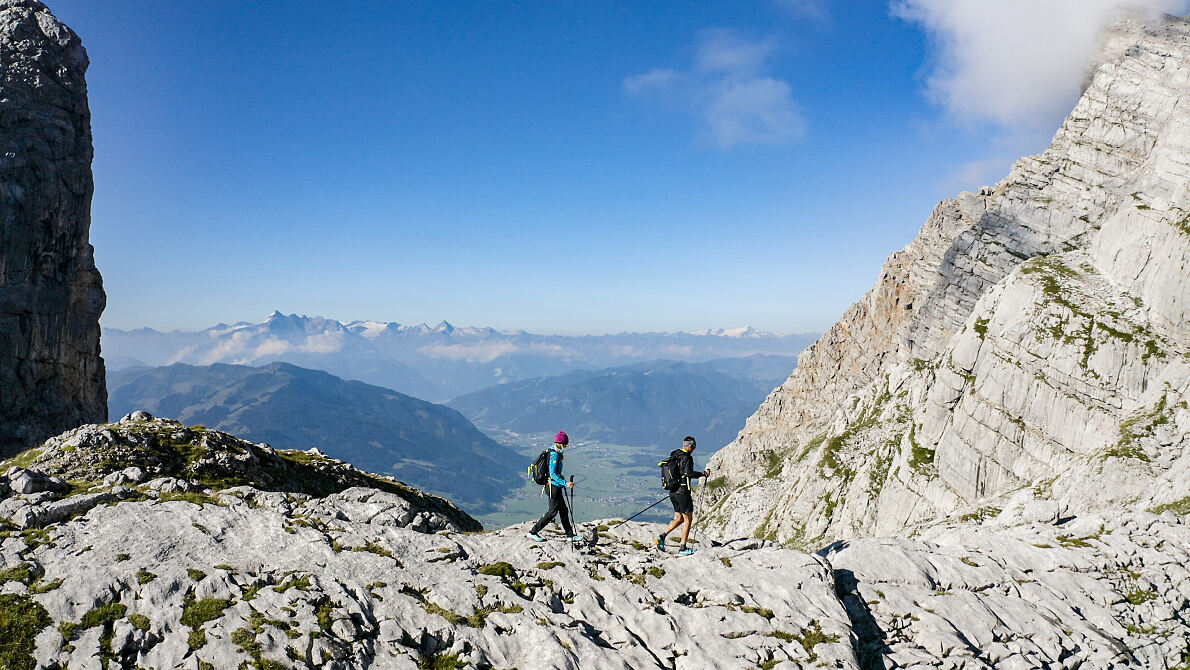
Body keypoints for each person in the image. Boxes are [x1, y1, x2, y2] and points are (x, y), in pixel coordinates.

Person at [656, 436, 710, 555]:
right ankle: (683, 548)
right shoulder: (687, 457)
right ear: (691, 446)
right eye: (694, 447)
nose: (694, 449)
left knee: (679, 518)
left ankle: (661, 537)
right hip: (683, 492)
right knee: (688, 519)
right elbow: (689, 474)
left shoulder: (675, 454)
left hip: (673, 491)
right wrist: (703, 474)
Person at [527, 431, 581, 542]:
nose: (566, 446)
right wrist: (566, 483)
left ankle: (570, 535)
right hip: (553, 488)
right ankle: (533, 532)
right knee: (552, 513)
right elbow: (553, 474)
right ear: (562, 443)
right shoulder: (554, 454)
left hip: (554, 487)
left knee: (564, 511)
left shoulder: (552, 450)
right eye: (565, 444)